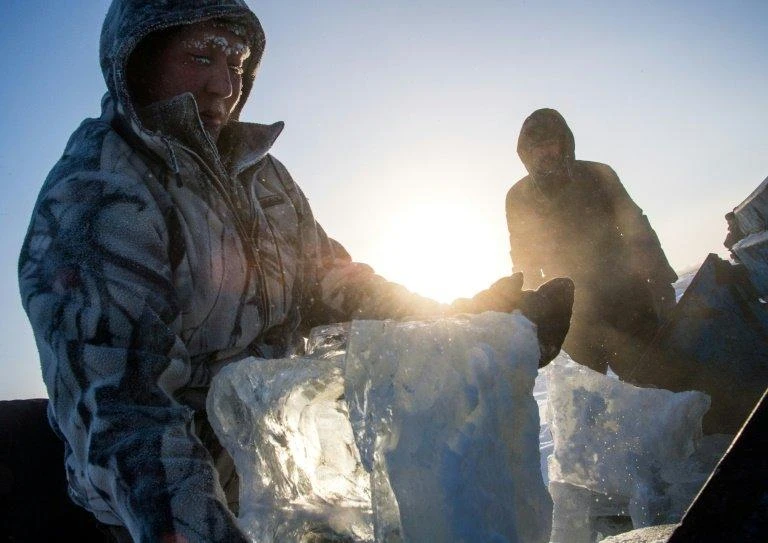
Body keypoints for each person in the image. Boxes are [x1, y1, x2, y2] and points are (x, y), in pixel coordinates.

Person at [18, 2, 573, 541]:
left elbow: (335, 285)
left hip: (274, 483)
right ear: (138, 59)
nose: (224, 86)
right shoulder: (98, 196)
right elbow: (126, 409)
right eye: (202, 56)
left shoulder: (264, 177)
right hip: (157, 513)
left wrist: (466, 325)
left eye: (237, 64)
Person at [505, 108, 677, 378]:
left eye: (550, 143)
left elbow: (637, 228)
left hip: (628, 299)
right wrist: (531, 313)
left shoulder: (599, 174)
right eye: (536, 147)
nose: (544, 152)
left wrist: (661, 281)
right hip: (574, 314)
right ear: (526, 153)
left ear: (564, 143)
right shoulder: (518, 197)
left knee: (654, 382)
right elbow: (524, 257)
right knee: (587, 396)